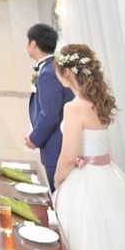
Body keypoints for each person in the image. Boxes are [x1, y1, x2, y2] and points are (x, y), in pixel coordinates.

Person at [53, 44, 125, 250]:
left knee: (88, 246)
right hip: (109, 174)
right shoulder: (97, 102)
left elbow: (68, 156)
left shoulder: (74, 107)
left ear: (68, 72)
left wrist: (58, 180)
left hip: (85, 180)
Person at [24, 23, 74, 191]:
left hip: (56, 144)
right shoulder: (54, 67)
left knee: (59, 193)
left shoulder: (47, 73)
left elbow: (50, 114)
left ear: (33, 44)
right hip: (61, 140)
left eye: (27, 43)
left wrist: (34, 138)